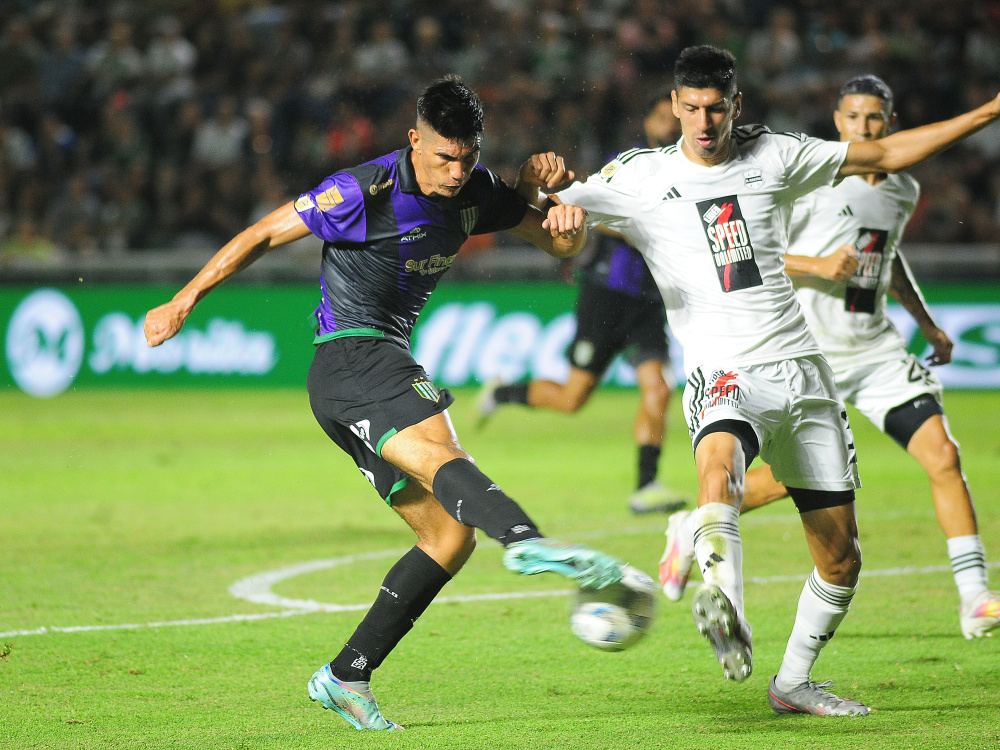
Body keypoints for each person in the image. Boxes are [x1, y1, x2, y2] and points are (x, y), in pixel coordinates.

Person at [520, 46, 1000, 716]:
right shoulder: (639, 176)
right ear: (675, 105)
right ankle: (727, 608)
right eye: (691, 108)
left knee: (841, 561)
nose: (704, 120)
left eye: (717, 107)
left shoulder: (776, 154)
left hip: (805, 375)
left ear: (736, 104)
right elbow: (557, 226)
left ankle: (793, 683)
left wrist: (989, 110)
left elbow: (884, 158)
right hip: (722, 369)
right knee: (718, 468)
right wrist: (551, 204)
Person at [143, 76, 628, 732]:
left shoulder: (477, 189)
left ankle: (346, 675)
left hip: (365, 371)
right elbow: (262, 234)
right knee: (442, 455)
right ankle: (526, 539)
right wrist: (185, 298)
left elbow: (561, 245)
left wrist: (559, 205)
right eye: (443, 158)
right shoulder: (358, 191)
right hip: (353, 354)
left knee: (449, 536)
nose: (456, 173)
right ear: (413, 142)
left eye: (467, 156)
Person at [660, 75, 1000, 641]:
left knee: (943, 454)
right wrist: (818, 267)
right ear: (838, 122)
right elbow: (749, 252)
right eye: (853, 118)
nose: (863, 128)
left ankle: (975, 598)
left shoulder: (901, 190)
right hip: (809, 356)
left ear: (888, 122)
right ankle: (695, 525)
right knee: (793, 484)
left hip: (877, 350)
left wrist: (926, 323)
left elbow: (886, 260)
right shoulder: (809, 183)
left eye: (874, 119)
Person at [477, 91, 687, 514]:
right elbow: (586, 210)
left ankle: (646, 486)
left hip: (648, 298)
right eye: (661, 116)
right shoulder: (626, 162)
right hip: (606, 294)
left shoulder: (683, 173)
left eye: (673, 119)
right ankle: (504, 393)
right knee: (573, 399)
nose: (668, 125)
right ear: (648, 122)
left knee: (659, 388)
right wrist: (638, 231)